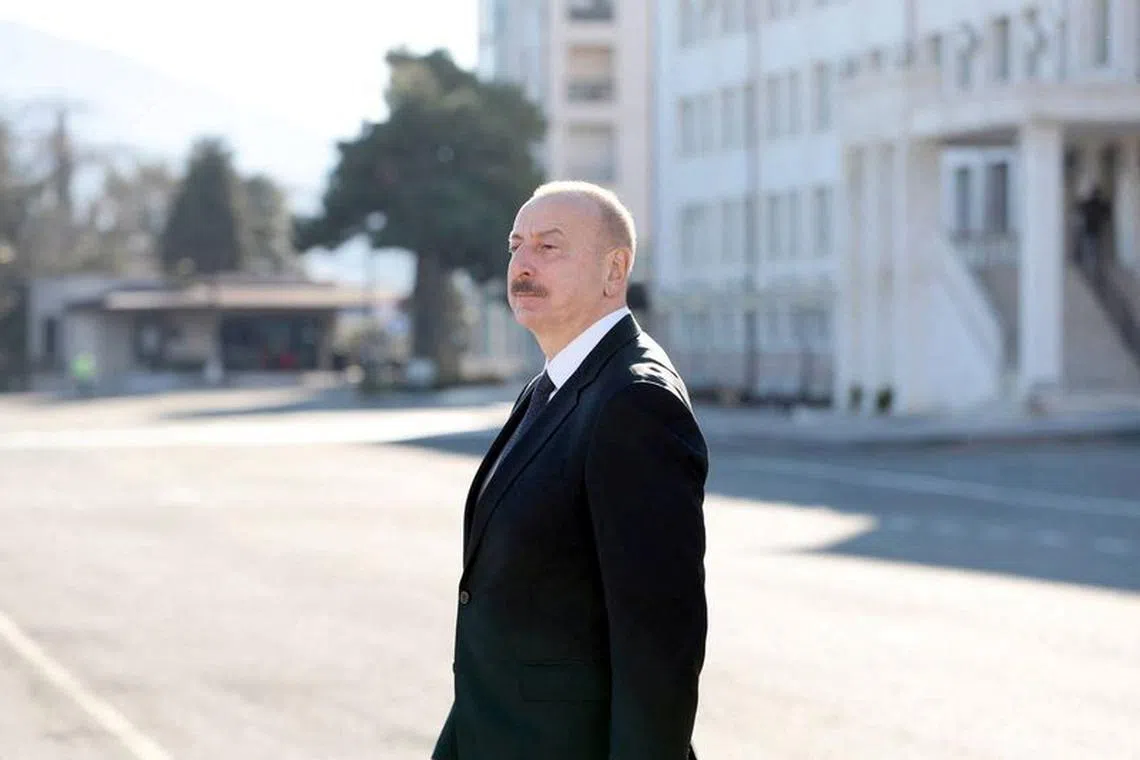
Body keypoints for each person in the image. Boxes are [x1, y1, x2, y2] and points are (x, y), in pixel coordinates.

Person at [432, 181, 709, 760]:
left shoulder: (634, 401)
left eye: (548, 247)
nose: (523, 263)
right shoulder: (552, 385)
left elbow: (658, 641)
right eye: (516, 245)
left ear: (615, 270)